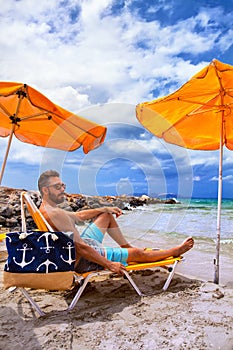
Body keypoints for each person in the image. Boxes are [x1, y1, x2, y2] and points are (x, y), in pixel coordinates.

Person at [38, 170, 194, 275]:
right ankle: (172, 252)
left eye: (63, 185)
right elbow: (80, 248)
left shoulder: (47, 209)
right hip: (84, 259)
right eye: (58, 187)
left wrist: (104, 208)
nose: (63, 190)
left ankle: (126, 248)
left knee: (106, 216)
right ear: (46, 190)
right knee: (137, 254)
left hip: (82, 248)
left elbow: (78, 216)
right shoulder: (55, 213)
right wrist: (109, 264)